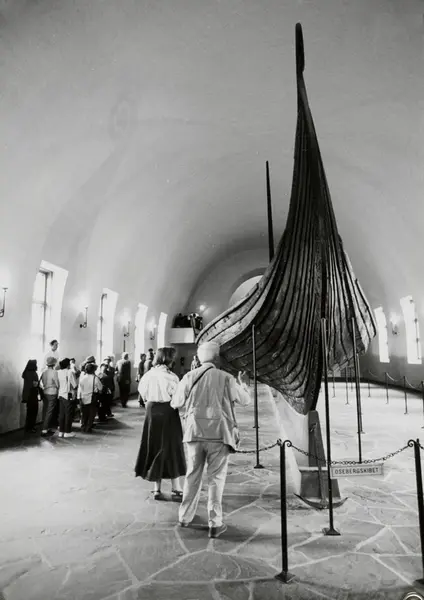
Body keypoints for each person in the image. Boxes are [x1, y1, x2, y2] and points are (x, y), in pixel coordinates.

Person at [171, 341, 251, 538]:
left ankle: (185, 517)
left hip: (194, 432)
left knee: (192, 476)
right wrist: (244, 384)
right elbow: (245, 401)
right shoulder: (226, 378)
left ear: (199, 358)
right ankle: (214, 523)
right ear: (217, 358)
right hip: (219, 434)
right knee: (216, 479)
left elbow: (176, 402)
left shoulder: (189, 377)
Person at [135, 347, 186, 501]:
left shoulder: (148, 375)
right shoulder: (172, 377)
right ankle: (176, 487)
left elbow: (142, 392)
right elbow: (178, 398)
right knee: (172, 447)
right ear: (168, 359)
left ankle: (156, 488)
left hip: (151, 411)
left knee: (154, 445)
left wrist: (150, 401)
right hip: (168, 411)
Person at [78, 362, 102, 433]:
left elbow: (79, 389)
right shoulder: (95, 378)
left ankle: (83, 427)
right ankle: (88, 427)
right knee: (91, 414)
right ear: (93, 370)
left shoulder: (82, 378)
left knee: (84, 414)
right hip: (92, 398)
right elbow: (100, 388)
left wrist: (79, 398)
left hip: (83, 397)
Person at [57, 358, 77, 438]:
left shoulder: (58, 372)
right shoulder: (70, 372)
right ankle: (67, 432)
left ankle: (61, 431)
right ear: (68, 365)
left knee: (61, 414)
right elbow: (74, 385)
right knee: (68, 414)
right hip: (67, 395)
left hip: (60, 394)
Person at [40, 356, 59, 437]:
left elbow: (42, 382)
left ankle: (46, 427)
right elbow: (57, 384)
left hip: (45, 392)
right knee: (50, 411)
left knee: (45, 411)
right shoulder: (54, 372)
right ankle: (44, 429)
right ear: (54, 364)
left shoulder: (44, 372)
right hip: (52, 392)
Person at [21, 359, 40, 433]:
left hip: (26, 394)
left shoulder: (25, 373)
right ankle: (31, 427)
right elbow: (35, 384)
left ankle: (27, 427)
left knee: (29, 412)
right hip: (33, 394)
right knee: (34, 411)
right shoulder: (34, 373)